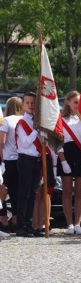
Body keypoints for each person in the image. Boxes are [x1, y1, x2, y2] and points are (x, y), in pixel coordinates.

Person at [58, 91, 81, 235]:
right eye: (75, 102)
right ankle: (69, 224)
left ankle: (78, 223)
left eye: (80, 103)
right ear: (68, 102)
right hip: (66, 154)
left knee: (79, 193)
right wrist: (63, 161)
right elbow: (58, 142)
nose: (78, 105)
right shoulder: (61, 119)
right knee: (67, 192)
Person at [15, 92, 43, 237]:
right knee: (24, 194)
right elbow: (25, 143)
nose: (31, 106)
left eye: (33, 103)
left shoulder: (38, 121)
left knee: (33, 194)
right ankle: (21, 226)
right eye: (28, 103)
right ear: (23, 104)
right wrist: (36, 131)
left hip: (37, 160)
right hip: (26, 159)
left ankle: (29, 224)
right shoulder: (22, 123)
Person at [0, 97, 23, 233]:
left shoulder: (7, 120)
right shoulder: (23, 120)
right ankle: (16, 218)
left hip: (7, 159)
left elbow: (1, 142)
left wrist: (1, 160)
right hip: (22, 159)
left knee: (3, 191)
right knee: (18, 192)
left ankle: (4, 219)